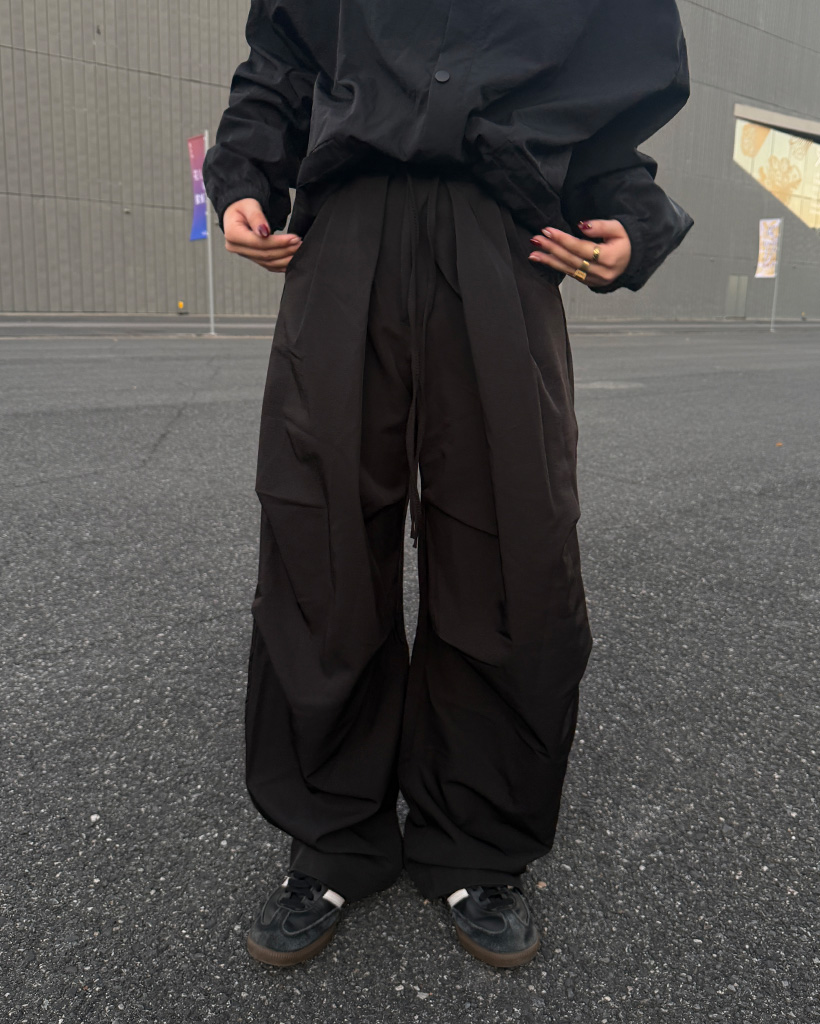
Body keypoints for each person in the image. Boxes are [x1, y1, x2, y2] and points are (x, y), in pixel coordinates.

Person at [204, 0, 694, 970]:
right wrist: (244, 177)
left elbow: (598, 107)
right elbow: (283, 62)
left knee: (514, 542)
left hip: (500, 235)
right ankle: (334, 836)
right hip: (347, 227)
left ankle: (475, 840)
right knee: (319, 539)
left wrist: (634, 227)